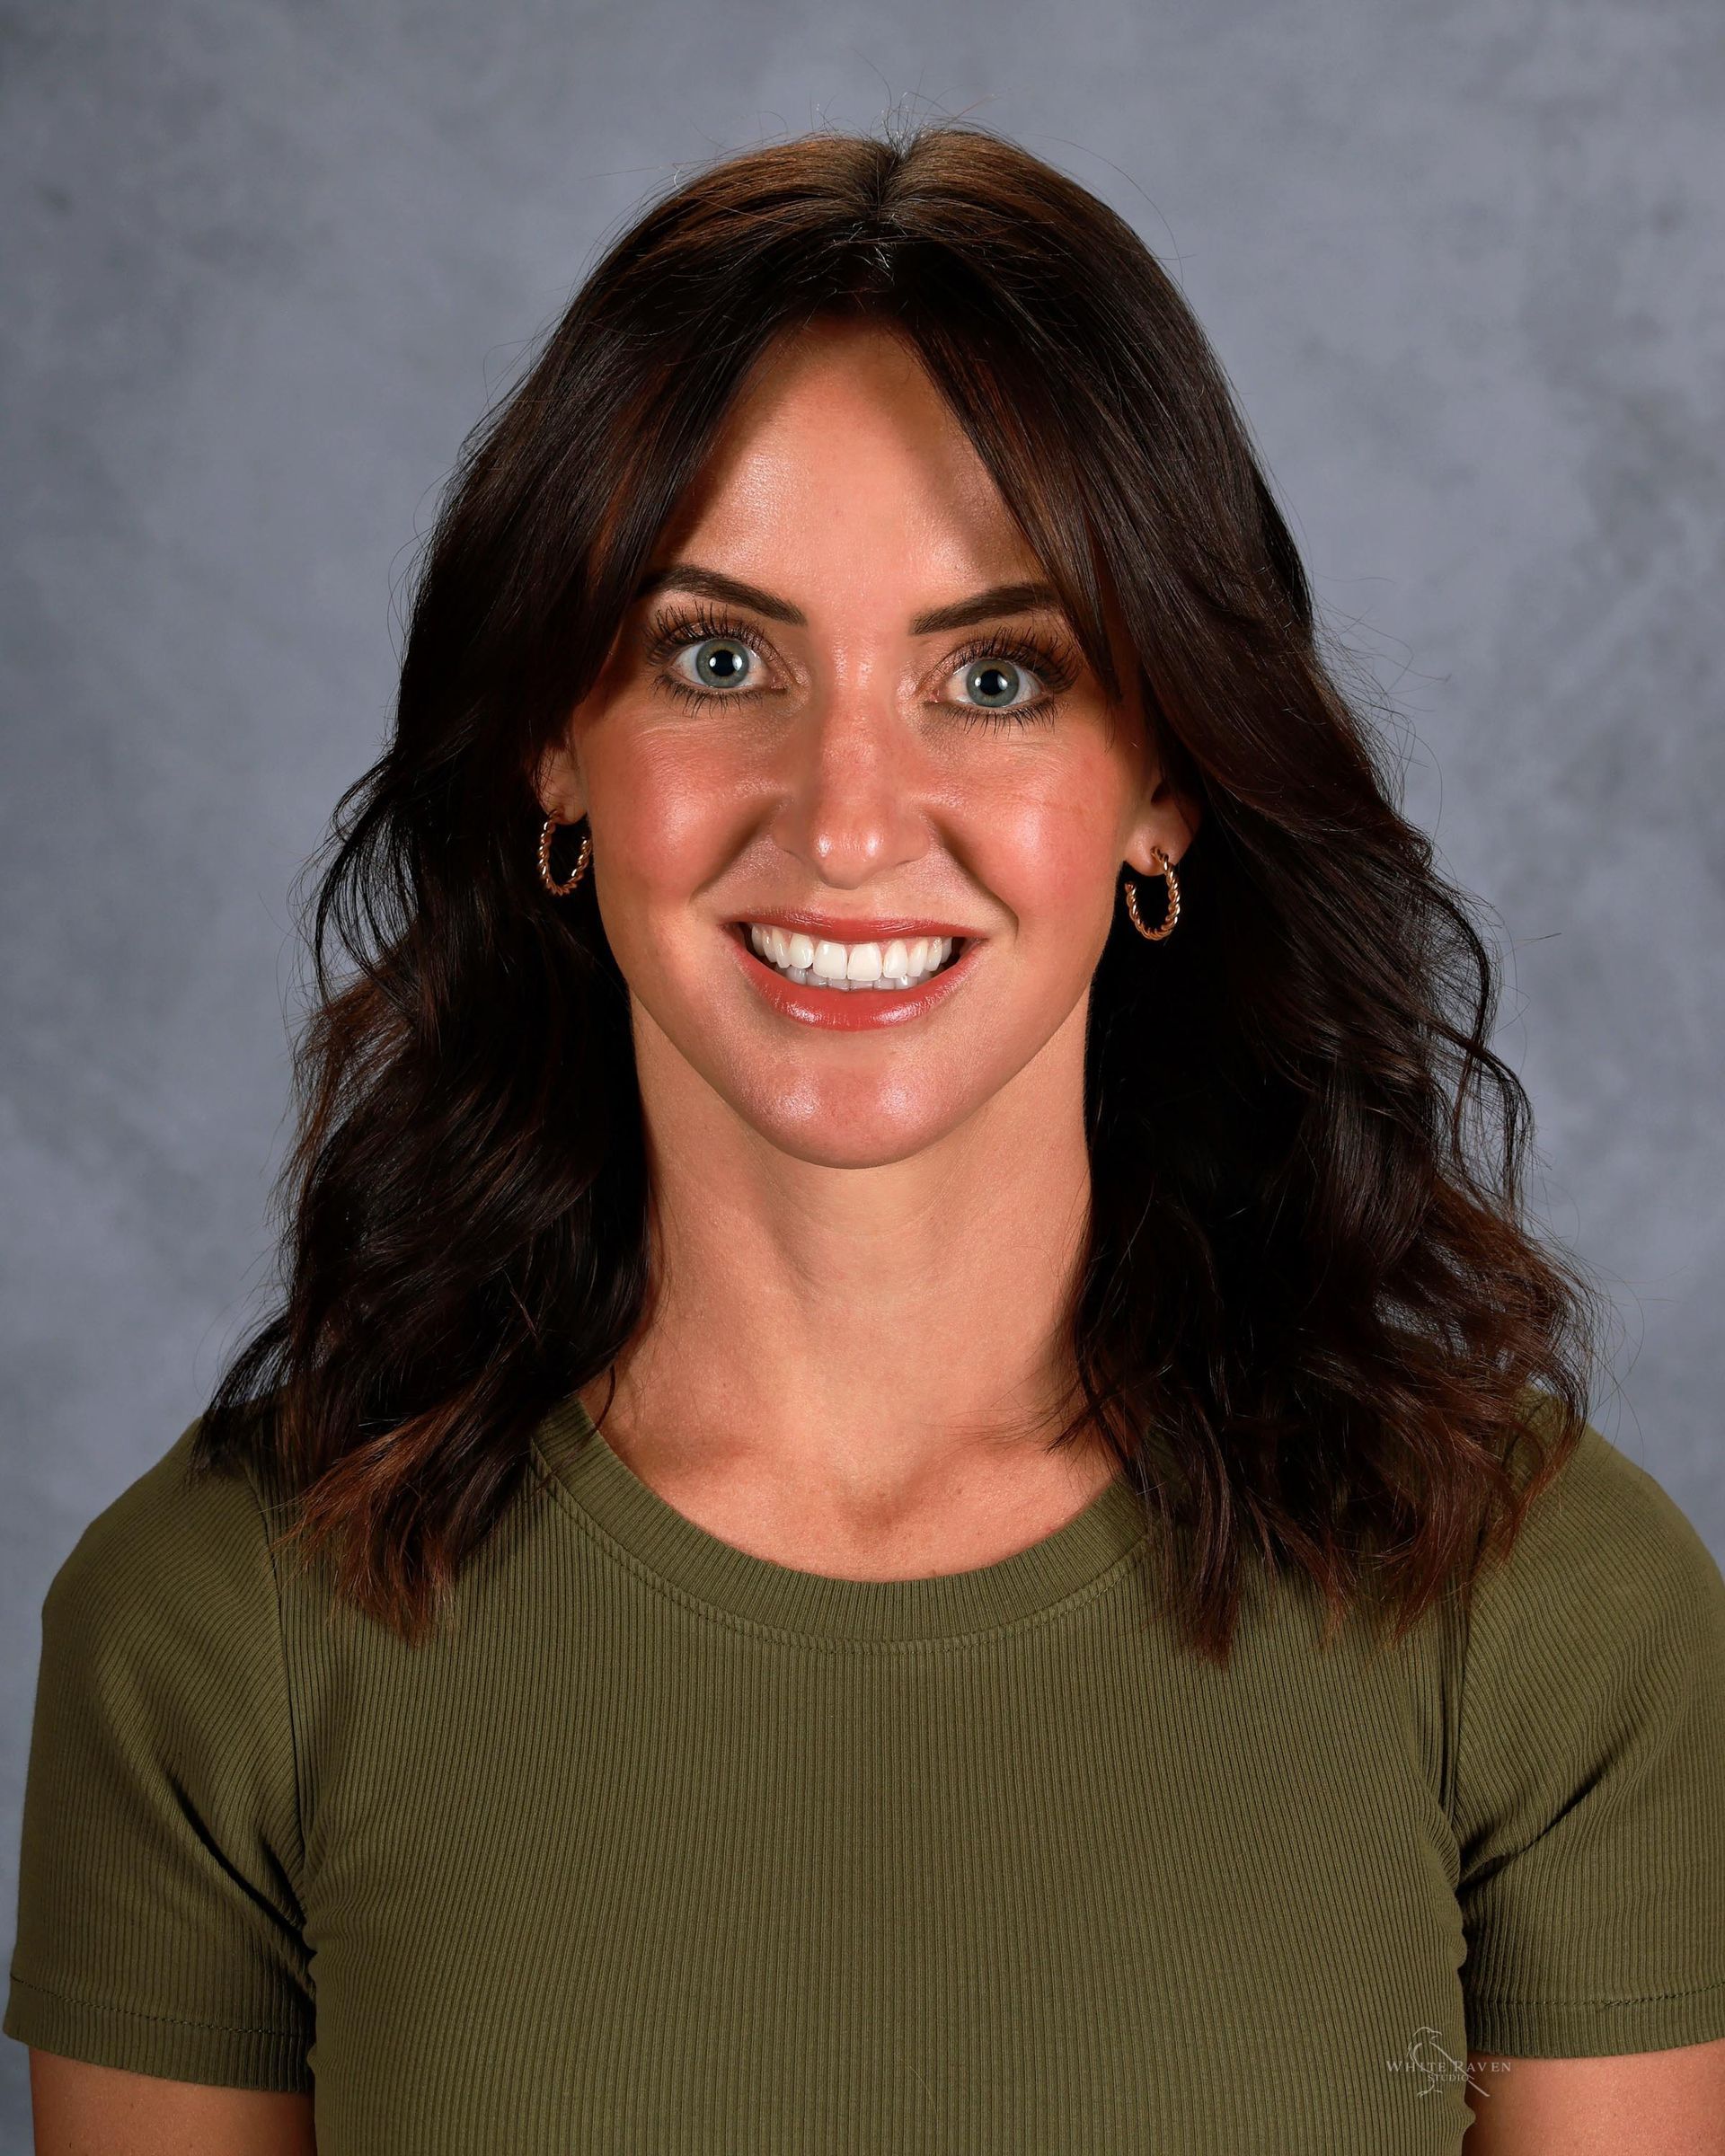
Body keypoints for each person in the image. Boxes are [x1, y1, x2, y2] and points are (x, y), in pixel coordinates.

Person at [7, 119, 1724, 2156]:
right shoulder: (213, 1627)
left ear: (1166, 781)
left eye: (996, 674)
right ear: (555, 747)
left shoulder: (1542, 1609)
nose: (842, 822)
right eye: (717, 657)